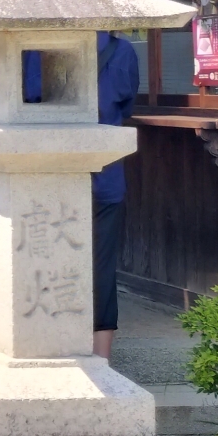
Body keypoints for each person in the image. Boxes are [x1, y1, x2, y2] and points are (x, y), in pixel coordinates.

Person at [92, 30, 139, 359]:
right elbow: (126, 102)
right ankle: (101, 359)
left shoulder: (35, 48)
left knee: (39, 260)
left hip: (46, 176)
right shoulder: (121, 51)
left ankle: (47, 349)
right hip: (104, 173)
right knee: (102, 267)